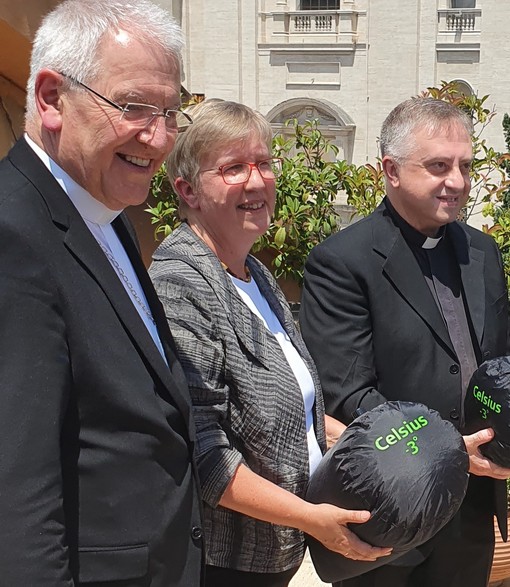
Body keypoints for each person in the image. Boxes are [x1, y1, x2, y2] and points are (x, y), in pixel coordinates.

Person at [0, 0, 204, 585]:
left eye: (171, 111)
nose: (160, 137)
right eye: (134, 107)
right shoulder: (14, 234)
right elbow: (17, 487)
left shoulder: (109, 217)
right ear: (50, 98)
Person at [149, 99, 391, 587]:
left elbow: (293, 408)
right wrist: (309, 516)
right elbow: (205, 453)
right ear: (188, 190)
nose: (257, 181)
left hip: (273, 553)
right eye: (234, 168)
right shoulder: (181, 283)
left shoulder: (255, 275)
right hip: (222, 564)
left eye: (263, 163)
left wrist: (384, 445)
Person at [299, 97, 510, 587]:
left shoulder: (481, 251)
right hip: (388, 510)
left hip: (471, 507)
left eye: (465, 165)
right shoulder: (342, 261)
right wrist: (444, 452)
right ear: (391, 170)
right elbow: (349, 393)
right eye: (439, 166)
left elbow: (507, 365)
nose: (458, 181)